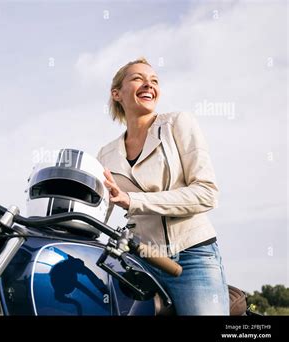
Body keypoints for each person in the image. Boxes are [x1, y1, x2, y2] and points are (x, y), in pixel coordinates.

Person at [97, 57, 229, 315]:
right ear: (116, 93)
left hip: (192, 258)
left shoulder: (178, 124)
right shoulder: (105, 154)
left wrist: (133, 201)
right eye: (137, 78)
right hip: (139, 263)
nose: (148, 84)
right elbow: (97, 214)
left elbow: (207, 193)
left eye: (154, 80)